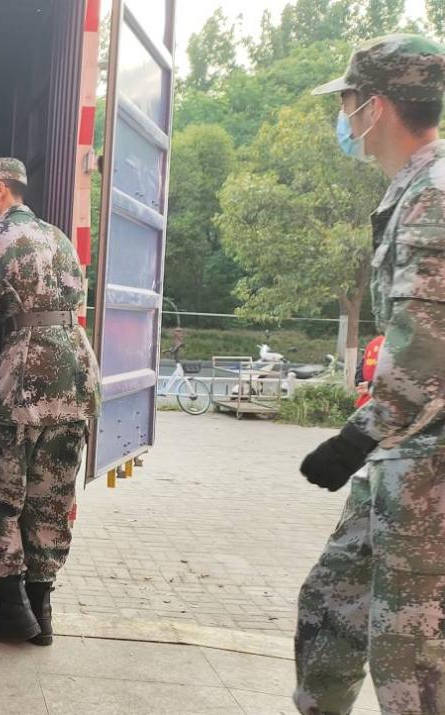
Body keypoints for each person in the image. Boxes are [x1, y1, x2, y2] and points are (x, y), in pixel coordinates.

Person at [297, 34, 445, 715]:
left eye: (348, 101)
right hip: (403, 454)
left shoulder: (432, 196)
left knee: (408, 652)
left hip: (426, 461)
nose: (344, 115)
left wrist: (356, 436)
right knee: (331, 602)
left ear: (376, 105)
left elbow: (424, 346)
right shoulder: (410, 189)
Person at [0, 158, 101, 647]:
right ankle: (42, 611)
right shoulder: (59, 238)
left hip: (26, 381)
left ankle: (13, 610)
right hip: (77, 375)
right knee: (51, 497)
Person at [355, 335, 385, 408]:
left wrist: (363, 385)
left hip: (365, 404)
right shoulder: (396, 345)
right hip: (386, 404)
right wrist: (370, 386)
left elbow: (359, 371)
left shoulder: (372, 343)